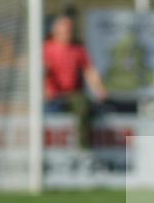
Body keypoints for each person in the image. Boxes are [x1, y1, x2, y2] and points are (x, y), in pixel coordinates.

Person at [44, 12, 108, 148]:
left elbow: (89, 71)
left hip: (72, 96)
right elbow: (40, 71)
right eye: (65, 29)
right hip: (52, 98)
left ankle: (84, 148)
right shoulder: (46, 49)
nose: (68, 32)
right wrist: (44, 89)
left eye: (70, 29)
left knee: (84, 106)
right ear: (56, 30)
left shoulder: (78, 49)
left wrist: (100, 89)